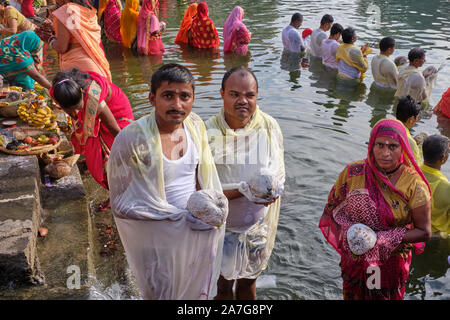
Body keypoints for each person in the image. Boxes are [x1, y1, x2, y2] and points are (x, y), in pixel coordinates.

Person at [107, 63, 226, 299]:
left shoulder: (195, 126)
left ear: (193, 98)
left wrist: (207, 214)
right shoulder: (132, 138)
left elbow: (201, 179)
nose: (177, 105)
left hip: (194, 233)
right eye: (168, 96)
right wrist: (171, 218)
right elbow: (120, 204)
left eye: (185, 96)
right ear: (152, 98)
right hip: (155, 241)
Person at [319, 118, 431, 300]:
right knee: (353, 295)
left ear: (402, 147)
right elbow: (333, 206)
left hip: (387, 261)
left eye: (393, 146)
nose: (385, 153)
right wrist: (350, 229)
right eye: (380, 145)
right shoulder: (353, 173)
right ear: (371, 145)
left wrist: (382, 239)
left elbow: (424, 232)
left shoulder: (414, 185)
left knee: (376, 294)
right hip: (355, 256)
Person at [206, 66, 285, 300]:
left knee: (249, 283)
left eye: (250, 95)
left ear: (257, 96)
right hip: (221, 229)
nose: (243, 101)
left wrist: (274, 187)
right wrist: (243, 190)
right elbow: (202, 188)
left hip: (258, 227)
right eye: (235, 94)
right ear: (222, 94)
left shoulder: (269, 127)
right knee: (222, 286)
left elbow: (279, 169)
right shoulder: (207, 132)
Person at [50, 67, 134, 209]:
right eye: (69, 110)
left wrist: (129, 152)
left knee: (114, 160)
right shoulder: (57, 91)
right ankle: (115, 194)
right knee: (94, 158)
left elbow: (116, 131)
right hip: (94, 110)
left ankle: (122, 195)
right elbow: (75, 113)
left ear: (82, 93)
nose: (75, 113)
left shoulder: (93, 96)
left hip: (116, 113)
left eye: (78, 107)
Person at [49, 0, 112, 81]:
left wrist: (49, 39)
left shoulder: (66, 10)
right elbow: (75, 32)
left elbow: (61, 47)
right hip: (96, 67)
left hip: (78, 70)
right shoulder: (87, 9)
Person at [420, 134, 450, 238]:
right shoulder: (446, 187)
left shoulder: (412, 173)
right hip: (438, 237)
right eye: (448, 152)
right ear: (443, 158)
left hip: (414, 231)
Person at [395, 95, 423, 165]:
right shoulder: (409, 141)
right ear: (411, 119)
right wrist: (420, 148)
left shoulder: (386, 127)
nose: (417, 120)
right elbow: (416, 165)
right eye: (417, 118)